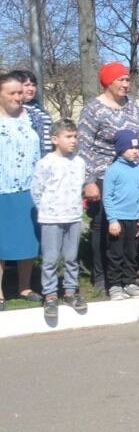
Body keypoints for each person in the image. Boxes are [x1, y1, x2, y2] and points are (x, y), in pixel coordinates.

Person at [77, 62, 139, 292]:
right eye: (121, 80)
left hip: (130, 173)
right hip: (102, 173)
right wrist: (89, 181)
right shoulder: (93, 108)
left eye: (127, 79)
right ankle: (101, 275)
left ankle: (128, 274)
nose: (126, 84)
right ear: (107, 82)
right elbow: (84, 147)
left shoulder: (131, 106)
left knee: (129, 223)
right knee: (101, 225)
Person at [30, 119, 88, 318]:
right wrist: (47, 210)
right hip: (51, 218)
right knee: (51, 259)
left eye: (75, 137)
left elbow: (80, 188)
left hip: (73, 217)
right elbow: (36, 191)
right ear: (55, 139)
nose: (73, 141)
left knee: (71, 258)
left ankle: (71, 292)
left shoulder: (79, 162)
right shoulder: (45, 163)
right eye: (68, 137)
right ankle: (50, 296)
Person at [0, 71, 42, 308]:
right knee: (0, 244)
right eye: (12, 93)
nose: (18, 96)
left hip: (29, 189)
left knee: (28, 242)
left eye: (19, 92)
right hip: (2, 189)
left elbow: (46, 149)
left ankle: (25, 287)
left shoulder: (33, 117)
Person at [103, 129, 139, 300]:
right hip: (118, 220)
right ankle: (114, 285)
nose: (135, 151)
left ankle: (129, 282)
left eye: (137, 148)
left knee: (131, 254)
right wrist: (112, 220)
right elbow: (107, 197)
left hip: (133, 219)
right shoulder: (113, 170)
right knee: (116, 254)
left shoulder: (138, 170)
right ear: (121, 149)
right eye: (131, 148)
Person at [14, 70, 51, 154]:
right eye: (26, 85)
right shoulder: (13, 110)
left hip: (46, 159)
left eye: (33, 85)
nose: (31, 89)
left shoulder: (37, 107)